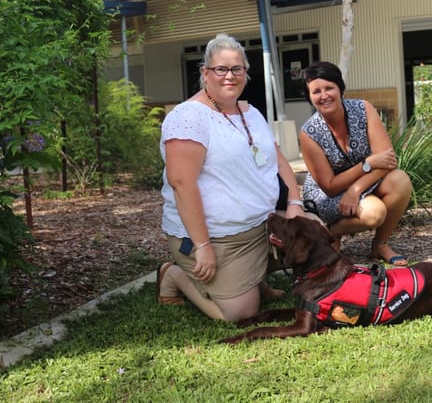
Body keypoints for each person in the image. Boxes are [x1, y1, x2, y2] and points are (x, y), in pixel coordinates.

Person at [155, 33, 306, 321]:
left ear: (246, 73)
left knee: (316, 230)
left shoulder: (251, 112)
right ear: (205, 73)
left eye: (237, 69)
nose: (229, 76)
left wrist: (295, 202)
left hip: (263, 226)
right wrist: (203, 246)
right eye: (220, 69)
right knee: (238, 313)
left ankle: (254, 279)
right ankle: (174, 276)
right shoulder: (189, 117)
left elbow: (277, 159)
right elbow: (181, 184)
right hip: (218, 238)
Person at [299, 61, 412, 266]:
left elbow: (387, 160)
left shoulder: (363, 109)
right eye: (316, 91)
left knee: (400, 181)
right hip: (325, 195)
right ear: (309, 97)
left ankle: (380, 245)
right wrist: (367, 163)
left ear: (340, 88)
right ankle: (330, 233)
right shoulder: (309, 133)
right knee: (374, 213)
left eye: (329, 88)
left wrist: (356, 189)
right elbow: (330, 186)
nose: (324, 96)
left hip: (362, 182)